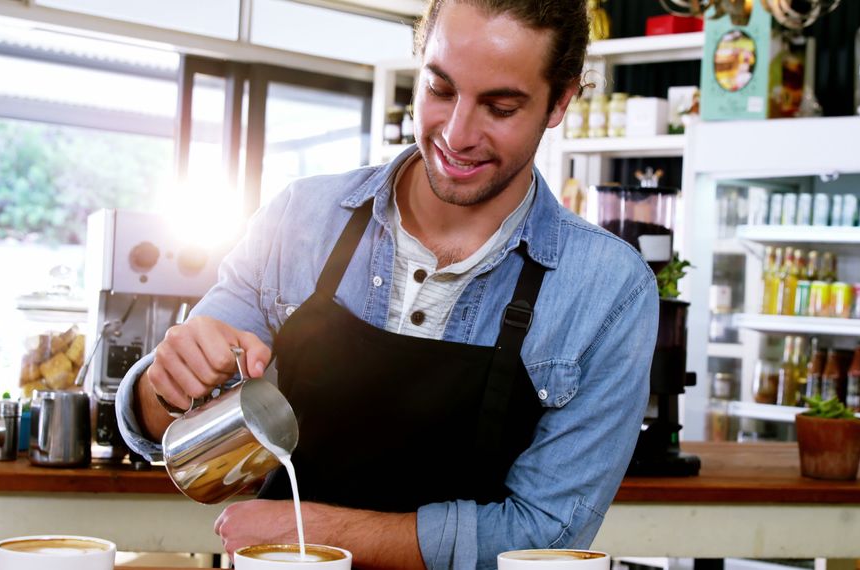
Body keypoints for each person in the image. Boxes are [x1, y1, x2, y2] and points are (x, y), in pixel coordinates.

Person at [115, 1, 658, 568]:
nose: (456, 134)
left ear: (561, 102)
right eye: (440, 90)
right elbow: (167, 436)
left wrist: (316, 532)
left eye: (499, 107)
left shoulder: (608, 292)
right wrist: (165, 383)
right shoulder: (301, 218)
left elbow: (544, 536)